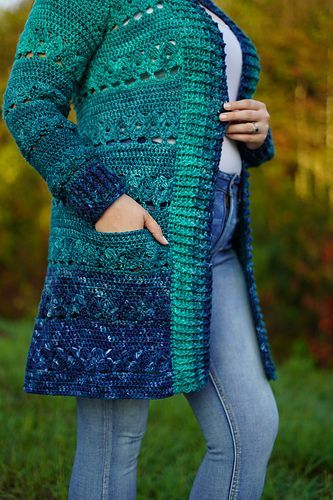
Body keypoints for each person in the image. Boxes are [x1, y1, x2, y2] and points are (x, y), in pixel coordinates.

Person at [2, 0, 279, 498]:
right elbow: (28, 101)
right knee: (114, 442)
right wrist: (104, 201)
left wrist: (256, 132)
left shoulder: (201, 4)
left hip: (216, 246)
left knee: (251, 429)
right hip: (128, 238)